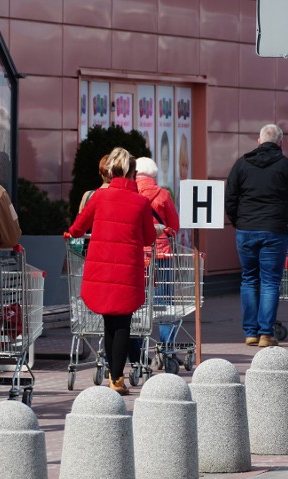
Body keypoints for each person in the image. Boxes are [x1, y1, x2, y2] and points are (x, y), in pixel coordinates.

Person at [67, 147, 156, 395]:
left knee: (108, 322)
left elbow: (77, 228)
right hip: (128, 270)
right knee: (123, 324)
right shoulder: (141, 202)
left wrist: (73, 234)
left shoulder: (99, 197)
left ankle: (113, 374)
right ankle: (116, 378)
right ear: (130, 172)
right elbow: (149, 238)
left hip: (102, 269)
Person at [225, 124, 288, 347]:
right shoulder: (287, 167)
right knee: (271, 282)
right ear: (280, 143)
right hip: (275, 230)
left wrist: (239, 222)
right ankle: (266, 333)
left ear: (258, 141)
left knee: (248, 279)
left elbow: (230, 197)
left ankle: (250, 332)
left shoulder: (242, 164)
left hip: (246, 229)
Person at [134, 156, 180, 362]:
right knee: (164, 303)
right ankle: (166, 349)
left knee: (137, 303)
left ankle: (140, 350)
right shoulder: (163, 194)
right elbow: (174, 226)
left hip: (136, 255)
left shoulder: (130, 194)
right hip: (161, 254)